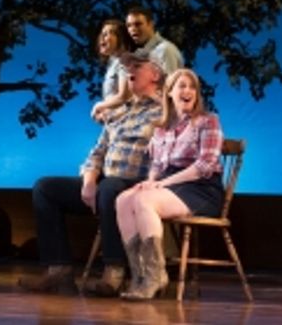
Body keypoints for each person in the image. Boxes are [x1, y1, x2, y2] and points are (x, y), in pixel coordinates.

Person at [19, 50, 166, 297]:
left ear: (155, 74)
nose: (129, 70)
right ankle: (59, 270)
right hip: (106, 181)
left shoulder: (165, 111)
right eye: (127, 65)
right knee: (45, 188)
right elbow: (97, 152)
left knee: (110, 188)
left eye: (137, 66)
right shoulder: (122, 111)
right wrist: (88, 180)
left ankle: (114, 271)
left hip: (139, 185)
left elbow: (173, 151)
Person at [115, 67, 224, 301]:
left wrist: (162, 184)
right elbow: (156, 165)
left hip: (200, 187)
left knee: (145, 201)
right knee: (124, 199)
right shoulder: (162, 128)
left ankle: (156, 275)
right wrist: (149, 182)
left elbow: (205, 165)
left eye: (192, 86)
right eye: (182, 86)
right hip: (170, 185)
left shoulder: (208, 121)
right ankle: (140, 275)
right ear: (169, 93)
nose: (188, 91)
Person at [90, 18, 135, 122]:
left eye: (107, 34)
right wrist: (105, 112)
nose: (101, 38)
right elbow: (114, 98)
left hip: (128, 125)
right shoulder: (113, 63)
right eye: (102, 34)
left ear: (121, 38)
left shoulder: (126, 60)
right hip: (115, 123)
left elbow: (125, 96)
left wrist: (99, 106)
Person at [125, 6, 183, 75]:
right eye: (129, 25)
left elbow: (170, 84)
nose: (132, 29)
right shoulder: (140, 54)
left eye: (138, 24)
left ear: (151, 24)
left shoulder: (164, 50)